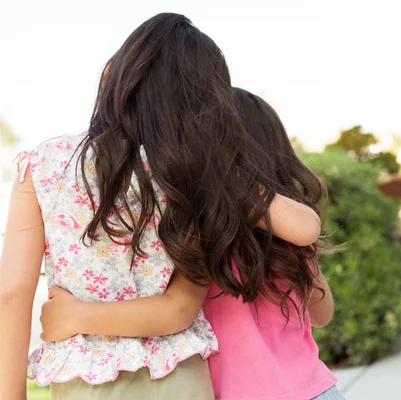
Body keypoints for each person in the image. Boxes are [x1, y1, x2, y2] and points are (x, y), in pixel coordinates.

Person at [0, 14, 321, 400]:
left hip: (83, 384)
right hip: (177, 380)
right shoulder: (193, 173)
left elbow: (13, 291)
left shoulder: (43, 165)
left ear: (117, 79)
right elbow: (181, 309)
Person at [39, 88, 345, 400]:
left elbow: (173, 311)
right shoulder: (290, 243)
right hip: (318, 390)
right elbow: (323, 314)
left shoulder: (202, 235)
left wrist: (75, 315)